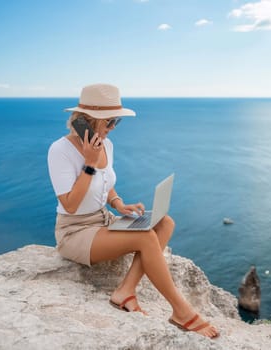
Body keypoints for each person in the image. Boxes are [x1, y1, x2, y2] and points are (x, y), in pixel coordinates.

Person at [47, 83, 219, 338]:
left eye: (117, 121)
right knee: (145, 237)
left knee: (164, 223)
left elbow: (107, 186)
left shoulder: (106, 145)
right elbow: (71, 204)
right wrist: (89, 164)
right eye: (110, 121)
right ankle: (181, 312)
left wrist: (118, 204)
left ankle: (125, 291)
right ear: (88, 120)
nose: (113, 127)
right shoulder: (60, 150)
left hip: (102, 220)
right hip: (75, 231)